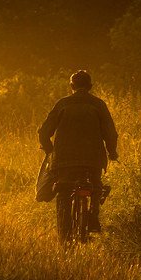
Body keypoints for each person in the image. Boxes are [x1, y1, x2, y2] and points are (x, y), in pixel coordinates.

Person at [38, 70, 118, 241]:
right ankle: (93, 217)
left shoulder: (62, 104)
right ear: (90, 87)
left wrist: (49, 149)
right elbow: (110, 133)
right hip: (93, 159)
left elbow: (44, 132)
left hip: (64, 160)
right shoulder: (98, 105)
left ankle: (64, 236)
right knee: (96, 186)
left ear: (72, 86)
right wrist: (112, 152)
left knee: (64, 191)